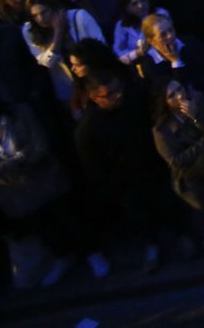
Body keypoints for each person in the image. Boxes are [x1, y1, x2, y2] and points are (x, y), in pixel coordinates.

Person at [0, 86, 108, 286]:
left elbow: (39, 145)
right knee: (44, 227)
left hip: (45, 177)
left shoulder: (20, 113)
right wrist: (16, 160)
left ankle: (92, 253)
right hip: (16, 192)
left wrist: (10, 165)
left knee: (69, 217)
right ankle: (62, 256)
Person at [73, 68, 175, 273]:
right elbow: (93, 166)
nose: (118, 95)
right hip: (123, 181)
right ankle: (151, 247)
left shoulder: (131, 104)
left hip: (151, 167)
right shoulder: (88, 129)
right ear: (94, 97)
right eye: (110, 94)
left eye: (118, 89)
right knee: (140, 217)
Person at [152, 79, 204, 260]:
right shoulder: (162, 129)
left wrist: (197, 116)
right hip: (190, 172)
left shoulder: (202, 102)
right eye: (172, 95)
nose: (179, 96)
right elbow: (176, 161)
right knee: (198, 195)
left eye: (179, 89)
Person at [21, 0, 105, 104]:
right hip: (69, 89)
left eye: (44, 12)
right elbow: (47, 62)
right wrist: (58, 33)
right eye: (35, 16)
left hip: (96, 79)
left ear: (53, 8)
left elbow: (101, 46)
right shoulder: (29, 31)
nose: (40, 19)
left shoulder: (79, 17)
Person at [139, 11, 204, 94]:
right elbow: (173, 91)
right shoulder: (149, 64)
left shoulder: (190, 42)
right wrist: (176, 62)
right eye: (163, 35)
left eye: (171, 30)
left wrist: (193, 87)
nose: (170, 36)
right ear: (152, 41)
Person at [112, 0, 162, 66]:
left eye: (143, 0)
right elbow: (119, 52)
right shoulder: (121, 25)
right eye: (134, 4)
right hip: (136, 65)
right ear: (127, 8)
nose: (141, 5)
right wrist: (138, 52)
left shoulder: (160, 14)